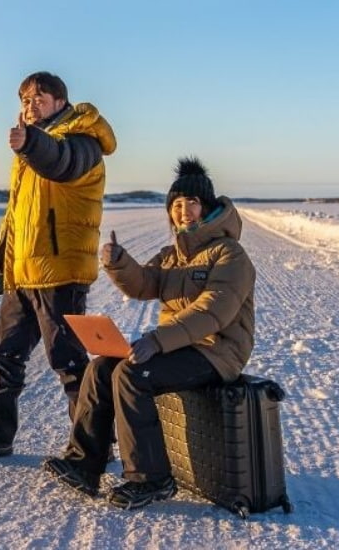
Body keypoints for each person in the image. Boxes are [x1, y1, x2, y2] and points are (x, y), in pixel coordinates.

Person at [43, 157, 255, 510]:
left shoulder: (230, 254)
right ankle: (84, 463)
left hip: (217, 352)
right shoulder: (173, 256)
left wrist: (157, 341)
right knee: (100, 368)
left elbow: (213, 313)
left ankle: (151, 478)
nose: (183, 211)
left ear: (207, 207)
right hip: (179, 346)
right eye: (176, 205)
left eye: (191, 202)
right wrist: (119, 263)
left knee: (133, 373)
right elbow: (144, 284)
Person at [0, 71, 117, 460]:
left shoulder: (84, 142)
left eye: (39, 99)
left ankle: (93, 446)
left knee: (70, 362)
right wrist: (3, 267)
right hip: (23, 275)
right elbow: (16, 218)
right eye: (25, 100)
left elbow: (61, 162)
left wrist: (31, 143)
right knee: (5, 356)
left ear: (60, 102)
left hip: (60, 275)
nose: (30, 106)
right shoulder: (29, 155)